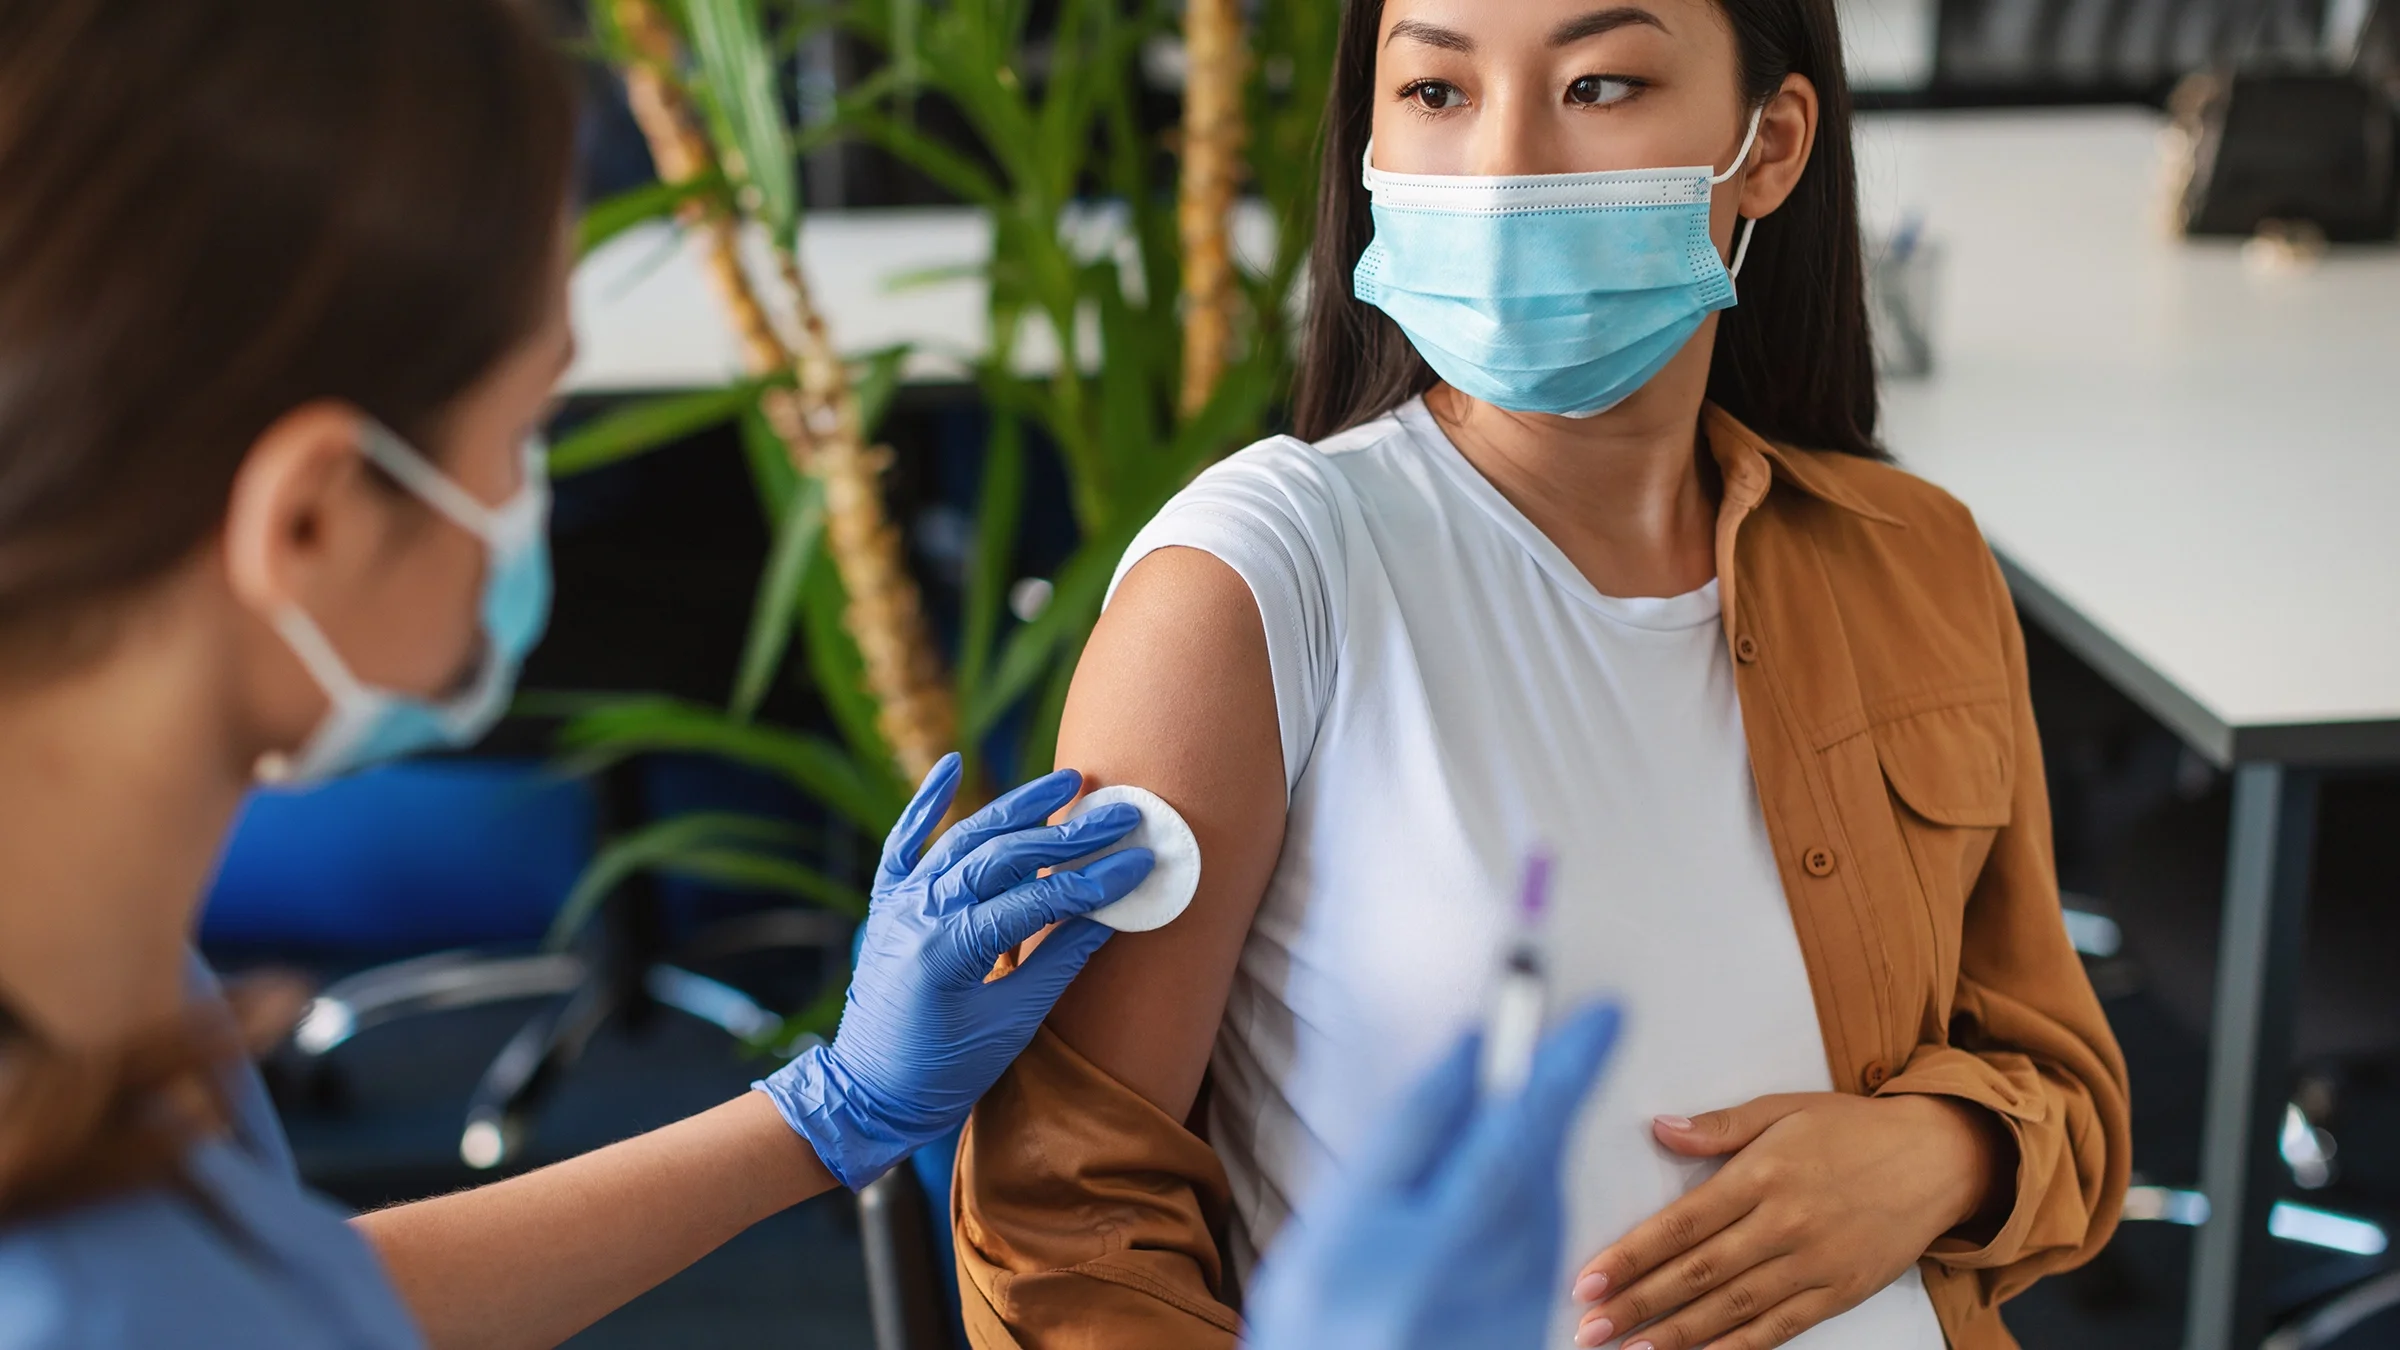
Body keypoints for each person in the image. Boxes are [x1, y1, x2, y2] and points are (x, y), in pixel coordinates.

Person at [0, 2, 1620, 1348]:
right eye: (522, 430)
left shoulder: (113, 994)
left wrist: (825, 1108)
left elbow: (304, 1311)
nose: (526, 501)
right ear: (307, 519)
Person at [954, 1, 2133, 1349]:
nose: (1505, 164)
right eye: (1439, 93)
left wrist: (1947, 1153)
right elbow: (1066, 1230)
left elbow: (2073, 1090)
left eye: (1602, 83)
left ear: (1770, 145)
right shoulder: (1247, 593)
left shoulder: (1912, 558)